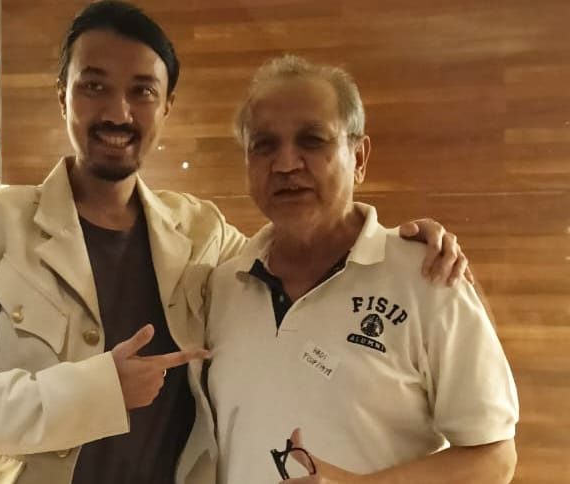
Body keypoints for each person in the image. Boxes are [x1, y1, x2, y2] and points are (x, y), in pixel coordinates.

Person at [0, 2, 468, 484]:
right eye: (94, 86)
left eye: (142, 91)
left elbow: (300, 249)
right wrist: (94, 392)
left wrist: (399, 244)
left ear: (166, 106)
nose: (118, 112)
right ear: (63, 96)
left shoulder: (203, 234)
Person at [204, 55, 519, 484]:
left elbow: (495, 457)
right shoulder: (222, 286)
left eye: (312, 140)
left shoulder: (428, 276)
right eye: (264, 145)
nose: (286, 164)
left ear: (359, 156)